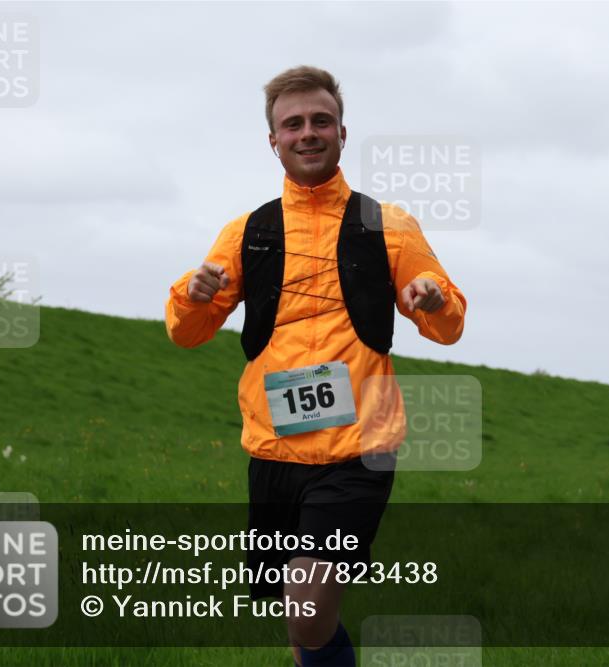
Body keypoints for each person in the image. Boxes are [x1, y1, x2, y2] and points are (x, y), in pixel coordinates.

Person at [165, 66, 466, 667]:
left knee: (305, 608)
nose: (308, 132)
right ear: (272, 140)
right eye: (293, 123)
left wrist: (430, 297)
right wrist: (193, 294)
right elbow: (188, 334)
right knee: (303, 617)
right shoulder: (247, 231)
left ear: (342, 133)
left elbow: (448, 322)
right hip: (275, 451)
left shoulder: (390, 225)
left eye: (320, 121)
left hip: (359, 450)